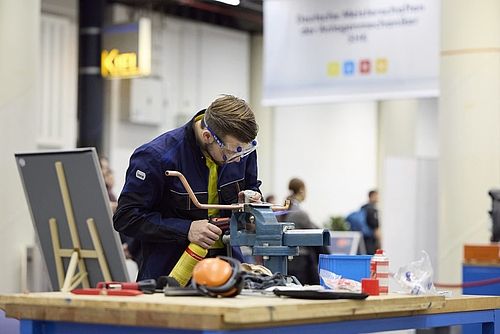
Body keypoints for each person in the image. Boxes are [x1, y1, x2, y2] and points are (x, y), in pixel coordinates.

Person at [113, 95, 261, 281]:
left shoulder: (239, 150)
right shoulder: (156, 157)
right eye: (231, 153)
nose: (238, 159)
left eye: (245, 150)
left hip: (227, 271)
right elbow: (126, 217)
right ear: (207, 136)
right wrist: (186, 229)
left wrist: (251, 204)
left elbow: (252, 188)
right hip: (171, 274)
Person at [279, 178, 329, 285]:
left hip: (285, 260)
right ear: (301, 190)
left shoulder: (283, 209)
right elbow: (315, 235)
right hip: (300, 262)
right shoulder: (300, 213)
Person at [362, 189, 380, 255]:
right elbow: (375, 224)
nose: (378, 198)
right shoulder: (372, 209)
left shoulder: (363, 207)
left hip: (363, 236)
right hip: (370, 238)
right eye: (376, 196)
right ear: (372, 196)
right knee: (371, 255)